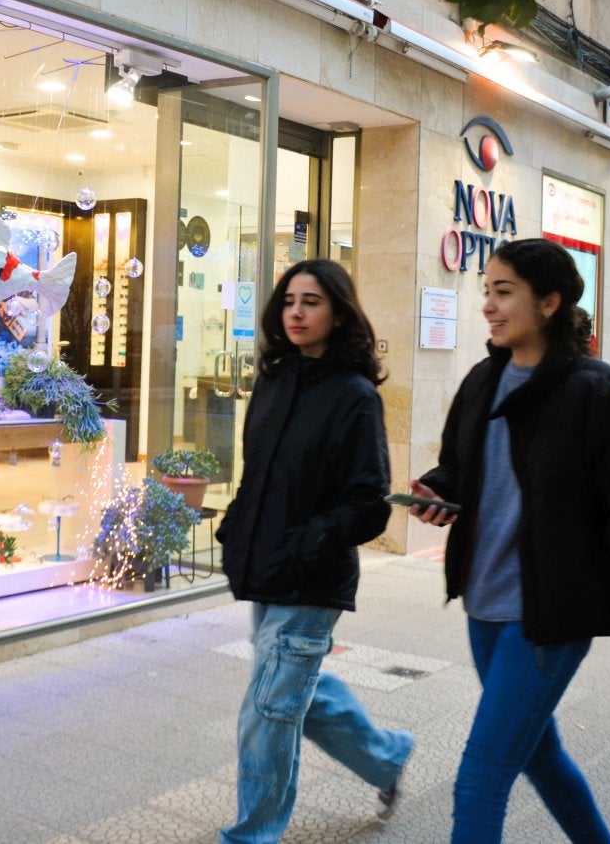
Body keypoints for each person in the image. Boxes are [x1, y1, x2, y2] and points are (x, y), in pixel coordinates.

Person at [407, 238, 610, 843]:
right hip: (485, 605)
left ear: (551, 301)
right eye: (487, 291)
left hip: (549, 617)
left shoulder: (599, 396)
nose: (488, 305)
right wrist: (438, 491)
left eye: (504, 292)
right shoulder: (484, 380)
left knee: (480, 776)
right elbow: (458, 465)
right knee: (538, 755)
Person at [217, 258, 414, 843]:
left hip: (311, 576)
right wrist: (237, 527)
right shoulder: (276, 380)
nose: (296, 312)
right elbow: (259, 473)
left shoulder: (355, 396)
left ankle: (253, 835)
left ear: (338, 312)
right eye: (289, 301)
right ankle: (385, 756)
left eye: (312, 302)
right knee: (295, 692)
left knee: (267, 712)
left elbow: (369, 503)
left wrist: (310, 541)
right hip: (267, 564)